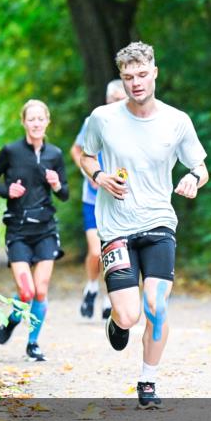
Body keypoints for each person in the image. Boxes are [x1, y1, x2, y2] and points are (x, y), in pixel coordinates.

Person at [78, 41, 209, 408]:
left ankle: (148, 379)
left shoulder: (177, 120)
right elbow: (87, 156)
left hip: (158, 223)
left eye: (141, 75)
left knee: (156, 306)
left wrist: (192, 179)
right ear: (122, 79)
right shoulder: (102, 118)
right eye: (128, 77)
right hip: (116, 227)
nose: (136, 83)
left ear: (154, 73)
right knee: (129, 313)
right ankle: (117, 323)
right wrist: (100, 175)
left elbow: (200, 167)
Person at [0, 99, 69, 362]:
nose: (35, 123)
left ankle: (33, 343)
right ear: (23, 122)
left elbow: (64, 194)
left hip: (45, 229)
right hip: (18, 229)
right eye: (30, 119)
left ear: (47, 122)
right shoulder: (10, 151)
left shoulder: (55, 154)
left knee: (41, 291)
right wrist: (6, 190)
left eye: (40, 119)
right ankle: (13, 319)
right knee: (26, 292)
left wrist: (56, 184)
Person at [70, 79, 127, 321]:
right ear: (106, 100)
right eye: (112, 100)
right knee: (96, 251)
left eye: (120, 100)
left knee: (114, 252)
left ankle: (107, 300)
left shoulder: (133, 125)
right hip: (93, 198)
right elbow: (77, 150)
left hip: (119, 200)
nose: (116, 104)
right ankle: (91, 288)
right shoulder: (93, 121)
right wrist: (90, 174)